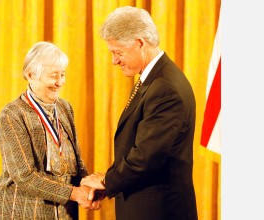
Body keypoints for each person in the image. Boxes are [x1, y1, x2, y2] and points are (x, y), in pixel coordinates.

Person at [80, 6, 198, 220]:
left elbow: (145, 157)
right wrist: (109, 180)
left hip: (159, 211)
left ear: (140, 43)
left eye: (118, 53)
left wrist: (108, 181)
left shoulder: (165, 87)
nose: (114, 61)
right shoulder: (155, 78)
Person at [0, 41, 100, 220]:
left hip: (64, 214)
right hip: (23, 213)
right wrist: (74, 193)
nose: (60, 82)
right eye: (54, 76)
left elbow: (76, 161)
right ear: (31, 74)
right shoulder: (12, 114)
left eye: (63, 75)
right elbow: (24, 176)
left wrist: (88, 188)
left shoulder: (65, 108)